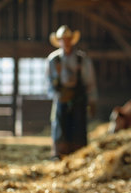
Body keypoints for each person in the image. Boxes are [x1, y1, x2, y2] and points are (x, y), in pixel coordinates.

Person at [46, 25, 98, 160]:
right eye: (63, 39)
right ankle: (59, 154)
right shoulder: (53, 59)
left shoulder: (82, 59)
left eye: (68, 39)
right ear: (59, 41)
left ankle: (79, 155)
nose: (66, 42)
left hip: (79, 97)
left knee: (78, 125)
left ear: (72, 40)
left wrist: (92, 100)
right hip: (61, 97)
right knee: (60, 126)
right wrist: (56, 94)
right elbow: (49, 81)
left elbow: (90, 82)